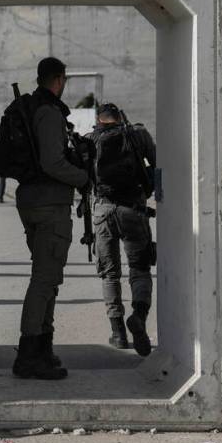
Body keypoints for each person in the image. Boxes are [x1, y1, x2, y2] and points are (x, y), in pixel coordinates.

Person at [11, 57, 89, 380]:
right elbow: (52, 163)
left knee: (48, 277)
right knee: (44, 279)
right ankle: (29, 355)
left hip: (35, 201)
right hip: (48, 204)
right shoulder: (48, 111)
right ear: (58, 79)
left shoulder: (34, 108)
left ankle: (43, 349)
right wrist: (84, 178)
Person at [85, 103, 157, 356]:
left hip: (102, 212)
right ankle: (139, 315)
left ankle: (118, 334)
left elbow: (83, 180)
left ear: (98, 119)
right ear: (120, 117)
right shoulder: (138, 134)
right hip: (134, 210)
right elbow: (157, 167)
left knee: (110, 274)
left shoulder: (90, 139)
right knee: (139, 269)